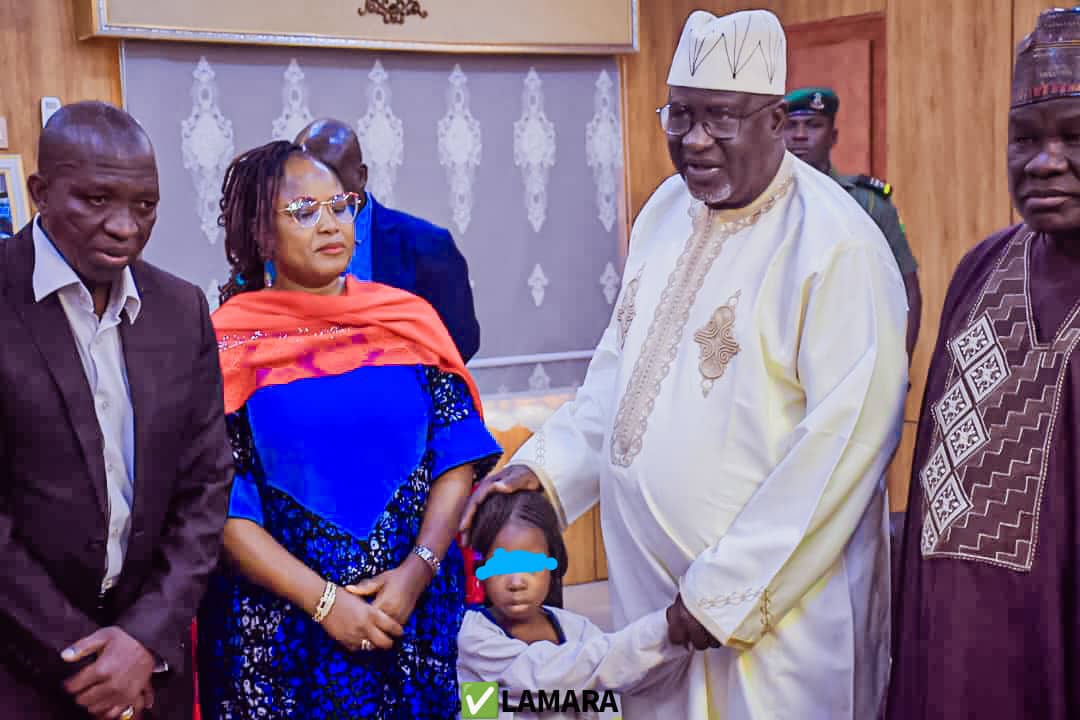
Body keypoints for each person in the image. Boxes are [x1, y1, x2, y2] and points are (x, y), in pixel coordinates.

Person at [461, 9, 909, 719]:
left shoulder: (836, 244)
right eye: (681, 115)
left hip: (777, 618)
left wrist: (724, 593)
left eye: (721, 117)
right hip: (653, 605)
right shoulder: (667, 209)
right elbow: (620, 375)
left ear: (775, 120)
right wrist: (546, 469)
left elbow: (843, 448)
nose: (695, 140)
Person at [196, 140, 501, 719]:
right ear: (261, 233)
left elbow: (456, 452)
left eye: (340, 206)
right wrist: (326, 604)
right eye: (303, 211)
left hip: (410, 616)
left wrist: (417, 572)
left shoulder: (406, 320)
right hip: (280, 637)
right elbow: (221, 504)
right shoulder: (225, 343)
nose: (330, 224)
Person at [0, 100, 233, 719]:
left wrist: (142, 640)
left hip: (149, 669)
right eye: (96, 200)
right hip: (18, 668)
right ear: (40, 193)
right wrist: (86, 656)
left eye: (145, 205)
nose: (125, 227)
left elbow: (207, 485)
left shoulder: (181, 309)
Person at [888, 8, 1080, 719]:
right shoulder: (980, 271)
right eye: (1024, 137)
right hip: (956, 655)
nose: (1044, 162)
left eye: (1074, 136)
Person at [458, 490, 690, 720]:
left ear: (554, 564)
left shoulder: (578, 629)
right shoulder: (475, 636)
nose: (516, 583)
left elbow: (612, 681)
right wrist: (663, 629)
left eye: (530, 565)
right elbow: (547, 675)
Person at [295, 119, 481, 362]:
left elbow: (461, 340)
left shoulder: (427, 245)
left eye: (328, 175)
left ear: (361, 176)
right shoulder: (286, 244)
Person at [783, 86, 923, 360]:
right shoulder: (763, 205)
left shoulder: (867, 203)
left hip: (852, 358)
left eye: (813, 125)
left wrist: (900, 366)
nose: (800, 135)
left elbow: (908, 290)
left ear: (833, 136)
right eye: (790, 126)